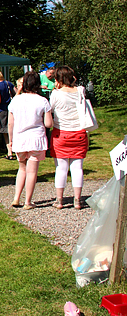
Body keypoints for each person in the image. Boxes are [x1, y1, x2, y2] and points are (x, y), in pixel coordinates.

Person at [8, 71, 53, 210]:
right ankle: (28, 202)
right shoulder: (42, 101)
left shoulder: (16, 100)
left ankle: (16, 197)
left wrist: (10, 141)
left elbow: (10, 123)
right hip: (36, 139)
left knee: (21, 169)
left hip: (19, 139)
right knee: (32, 172)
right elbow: (48, 124)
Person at [49, 66, 89, 210]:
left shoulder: (55, 94)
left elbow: (50, 109)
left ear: (58, 79)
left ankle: (59, 201)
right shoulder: (80, 91)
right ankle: (77, 200)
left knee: (61, 168)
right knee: (77, 168)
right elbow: (79, 87)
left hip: (61, 133)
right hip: (79, 132)